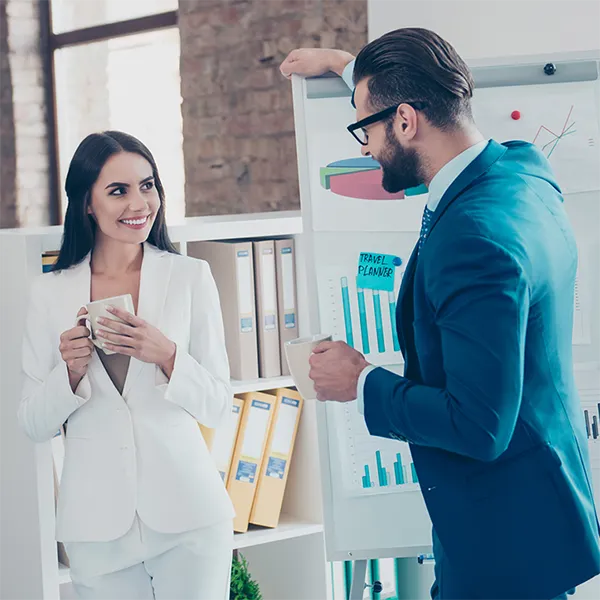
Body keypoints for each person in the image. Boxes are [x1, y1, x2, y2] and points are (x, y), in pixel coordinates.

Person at [281, 29, 600, 600]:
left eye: (365, 127)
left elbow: (478, 427)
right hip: (537, 512)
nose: (362, 147)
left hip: (502, 547)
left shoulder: (471, 238)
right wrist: (350, 67)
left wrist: (363, 382)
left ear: (405, 121)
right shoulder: (523, 171)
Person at [19, 131, 234, 600]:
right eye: (118, 191)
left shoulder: (189, 277)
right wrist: (70, 373)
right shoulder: (49, 293)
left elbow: (220, 407)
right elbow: (33, 424)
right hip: (96, 527)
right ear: (86, 204)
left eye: (147, 185)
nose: (139, 202)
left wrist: (168, 355)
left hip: (189, 517)